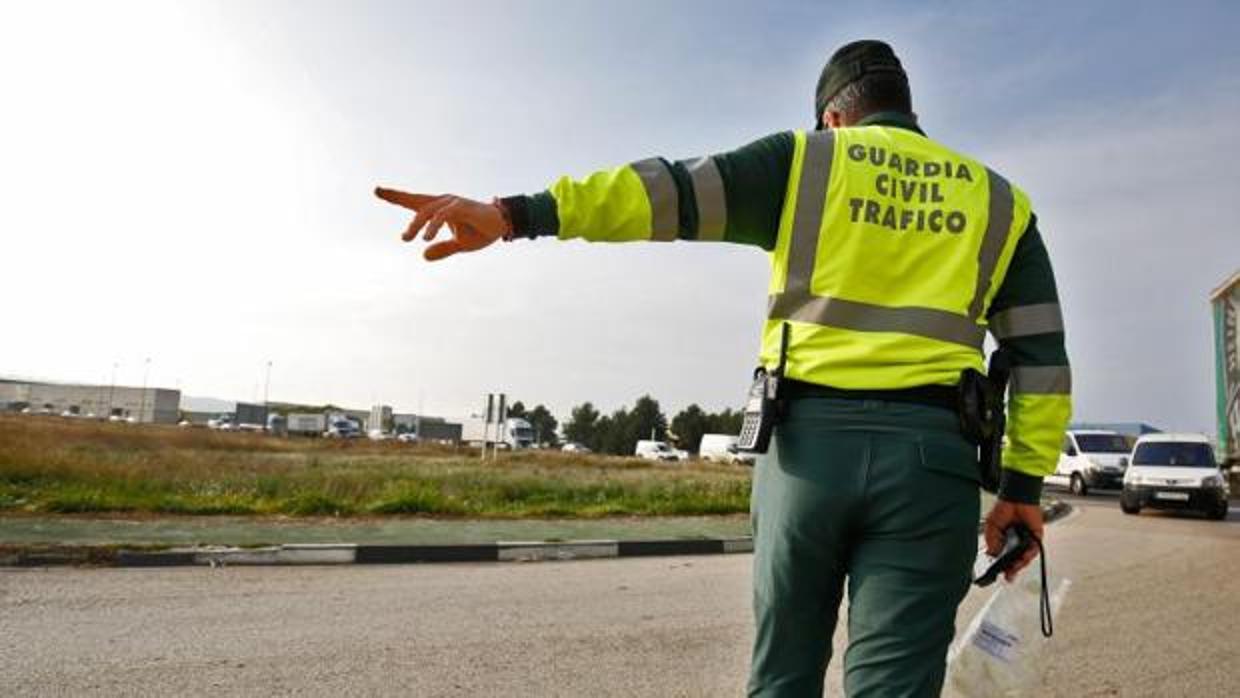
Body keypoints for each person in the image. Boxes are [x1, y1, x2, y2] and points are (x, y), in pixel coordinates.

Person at [376, 39, 1070, 698]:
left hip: (806, 456)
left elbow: (661, 193)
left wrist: (514, 215)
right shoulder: (999, 202)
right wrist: (1021, 485)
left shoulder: (807, 161)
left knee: (783, 675)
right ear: (909, 112)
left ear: (834, 116)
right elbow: (1040, 359)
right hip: (933, 465)